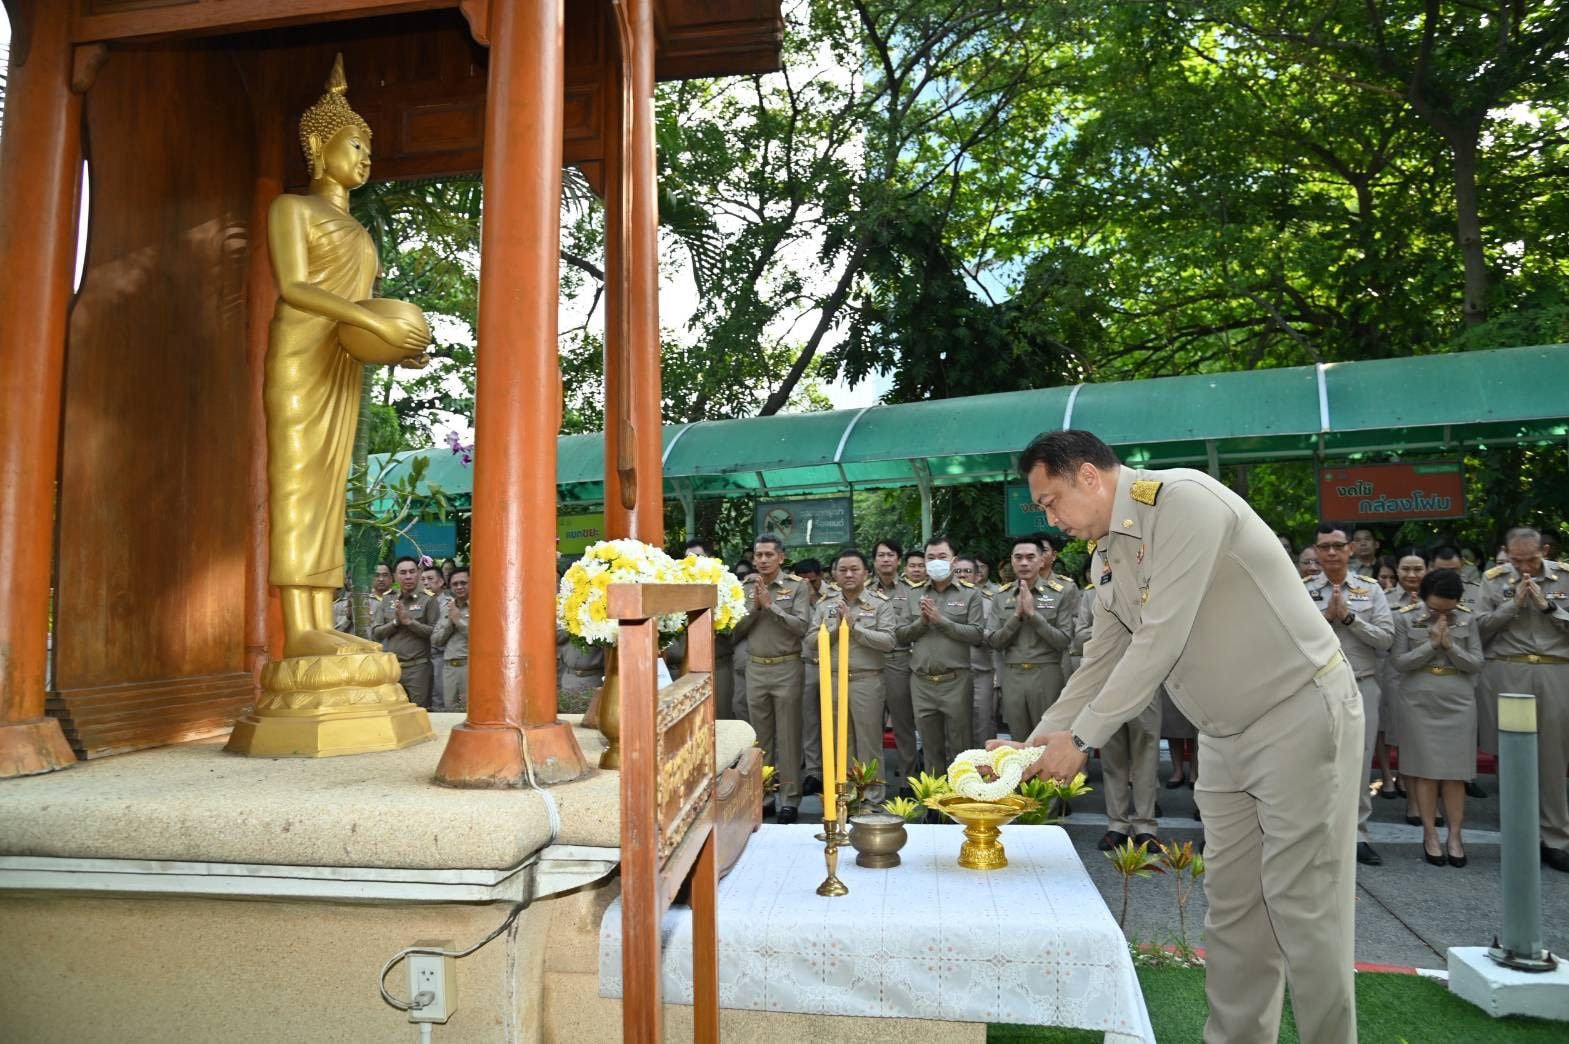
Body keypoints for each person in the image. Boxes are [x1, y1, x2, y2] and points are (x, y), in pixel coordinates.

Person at [998, 430, 1362, 1044]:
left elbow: (1159, 638)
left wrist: (1080, 741)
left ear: (1090, 475)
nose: (1050, 518)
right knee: (1235, 912)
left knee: (1305, 908)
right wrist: (1036, 743)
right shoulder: (1107, 555)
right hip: (1222, 733)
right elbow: (1099, 661)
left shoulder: (1184, 501)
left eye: (1051, 501)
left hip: (1297, 712)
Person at [1476, 527, 1569, 873]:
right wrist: (1512, 606)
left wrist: (1549, 609)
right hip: (1508, 670)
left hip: (1555, 669)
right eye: (1517, 560)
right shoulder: (1493, 579)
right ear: (1506, 552)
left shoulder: (1564, 577)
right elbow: (1479, 628)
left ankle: (1556, 838)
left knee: (1554, 758)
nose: (1525, 567)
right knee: (1511, 756)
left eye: (1531, 559)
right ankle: (1518, 837)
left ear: (1543, 550)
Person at [1306, 524, 1394, 866]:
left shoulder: (1370, 590)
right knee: (1317, 761)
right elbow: (1294, 637)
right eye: (1324, 547)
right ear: (1315, 551)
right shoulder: (1302, 590)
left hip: (1361, 683)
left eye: (1337, 546)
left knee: (1358, 761)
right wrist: (1326, 619)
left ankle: (1357, 834)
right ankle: (1320, 833)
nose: (1330, 553)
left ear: (1350, 550)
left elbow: (1386, 638)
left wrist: (1349, 618)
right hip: (1315, 686)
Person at [1392, 569, 1481, 867]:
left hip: (1458, 699)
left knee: (1456, 774)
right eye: (1435, 608)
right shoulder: (1404, 617)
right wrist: (1430, 645)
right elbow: (1400, 662)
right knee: (1425, 771)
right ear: (1423, 597)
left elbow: (1476, 663)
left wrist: (1450, 646)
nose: (1442, 615)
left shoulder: (1469, 618)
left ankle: (1455, 836)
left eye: (1448, 609)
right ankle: (1430, 834)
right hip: (1419, 698)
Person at [733, 534, 813, 823]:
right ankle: (763, 794)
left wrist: (772, 607)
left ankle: (790, 799)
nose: (763, 560)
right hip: (756, 667)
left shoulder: (798, 587)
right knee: (759, 737)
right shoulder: (744, 589)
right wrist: (755, 608)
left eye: (769, 554)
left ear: (781, 557)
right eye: (759, 555)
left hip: (787, 666)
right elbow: (734, 631)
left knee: (789, 735)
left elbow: (802, 627)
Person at [811, 549, 896, 805]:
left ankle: (872, 798)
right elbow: (810, 642)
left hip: (866, 681)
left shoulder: (880, 603)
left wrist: (855, 627)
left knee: (868, 742)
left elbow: (889, 641)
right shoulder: (825, 604)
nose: (848, 574)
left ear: (866, 573)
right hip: (833, 680)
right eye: (843, 570)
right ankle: (844, 796)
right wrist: (837, 628)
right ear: (834, 574)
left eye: (854, 569)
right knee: (839, 740)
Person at [896, 535, 984, 777]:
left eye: (942, 557)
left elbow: (977, 634)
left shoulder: (970, 594)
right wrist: (923, 623)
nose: (936, 562)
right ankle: (935, 803)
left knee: (960, 746)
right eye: (930, 558)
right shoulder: (913, 594)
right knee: (930, 746)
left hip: (956, 680)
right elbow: (901, 635)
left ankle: (960, 798)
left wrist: (941, 621)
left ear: (953, 560)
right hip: (922, 681)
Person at [986, 536, 1078, 746]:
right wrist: (1017, 616)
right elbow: (993, 641)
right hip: (1012, 674)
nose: (1024, 563)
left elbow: (1063, 641)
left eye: (1030, 557)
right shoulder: (1001, 596)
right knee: (1018, 739)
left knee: (1048, 739)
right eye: (1018, 558)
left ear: (1042, 560)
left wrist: (1033, 615)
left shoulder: (1059, 594)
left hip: (1047, 673)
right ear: (1012, 561)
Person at [875, 543, 924, 792]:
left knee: (903, 725)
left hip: (899, 660)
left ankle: (908, 779)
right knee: (870, 727)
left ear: (898, 560)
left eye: (890, 555)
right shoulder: (863, 588)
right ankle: (871, 783)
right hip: (869, 662)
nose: (885, 560)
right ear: (874, 560)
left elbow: (914, 626)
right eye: (880, 555)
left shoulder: (911, 591)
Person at [370, 555, 441, 707]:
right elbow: (376, 633)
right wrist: (396, 622)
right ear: (395, 576)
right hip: (392, 669)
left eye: (412, 571)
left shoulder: (428, 600)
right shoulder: (388, 600)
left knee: (419, 713)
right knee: (393, 712)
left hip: (418, 668)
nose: (408, 576)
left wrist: (409, 622)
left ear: (419, 573)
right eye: (403, 573)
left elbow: (435, 633)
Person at [795, 557, 832, 798]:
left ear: (820, 576)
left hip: (833, 666)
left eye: (813, 580)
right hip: (808, 663)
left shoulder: (834, 595)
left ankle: (836, 772)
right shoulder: (795, 594)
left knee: (835, 721)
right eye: (803, 580)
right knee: (810, 722)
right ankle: (814, 773)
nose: (809, 584)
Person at [954, 554, 1000, 746]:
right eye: (958, 571)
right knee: (955, 725)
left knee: (983, 723)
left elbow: (992, 635)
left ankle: (986, 771)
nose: (962, 575)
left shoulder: (990, 600)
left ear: (977, 575)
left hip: (981, 670)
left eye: (967, 571)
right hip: (953, 671)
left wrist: (965, 632)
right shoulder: (943, 600)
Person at [431, 566, 470, 711]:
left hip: (469, 666)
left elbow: (481, 640)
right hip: (448, 666)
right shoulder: (447, 608)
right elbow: (435, 640)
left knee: (468, 710)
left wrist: (458, 621)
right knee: (449, 709)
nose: (459, 587)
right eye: (455, 584)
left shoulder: (481, 606)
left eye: (463, 583)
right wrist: (450, 623)